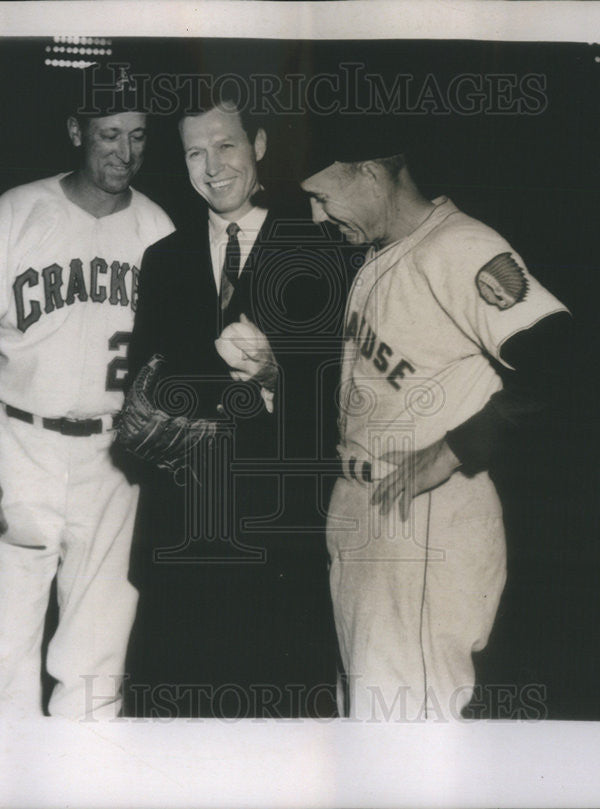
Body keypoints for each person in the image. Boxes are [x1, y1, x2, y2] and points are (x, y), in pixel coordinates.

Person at [299, 119, 572, 721]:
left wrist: (454, 449)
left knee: (409, 723)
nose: (318, 215)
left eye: (322, 195)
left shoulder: (461, 246)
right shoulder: (385, 250)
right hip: (367, 507)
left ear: (370, 173)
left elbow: (563, 361)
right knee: (371, 716)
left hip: (425, 517)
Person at [0, 68, 174, 719]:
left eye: (137, 136)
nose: (123, 153)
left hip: (113, 455)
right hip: (20, 445)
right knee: (9, 643)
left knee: (99, 648)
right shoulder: (21, 209)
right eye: (109, 135)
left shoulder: (159, 230)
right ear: (77, 131)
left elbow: (173, 360)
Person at [115, 92, 346, 718]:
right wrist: (150, 423)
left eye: (226, 145)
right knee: (169, 731)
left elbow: (343, 399)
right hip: (180, 535)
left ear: (259, 146)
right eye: (194, 152)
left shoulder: (323, 249)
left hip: (280, 540)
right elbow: (141, 391)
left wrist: (276, 376)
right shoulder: (163, 260)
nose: (212, 167)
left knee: (279, 733)